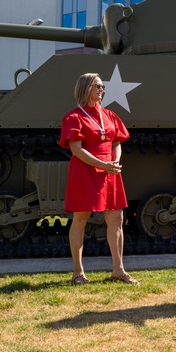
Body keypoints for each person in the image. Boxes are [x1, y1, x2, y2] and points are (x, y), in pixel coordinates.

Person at [59, 73, 136, 285]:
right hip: (85, 172)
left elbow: (116, 141)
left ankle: (118, 271)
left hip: (109, 171)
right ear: (85, 89)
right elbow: (76, 150)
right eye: (97, 86)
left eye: (102, 86)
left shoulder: (109, 115)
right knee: (81, 220)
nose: (101, 89)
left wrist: (115, 162)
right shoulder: (74, 117)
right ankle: (78, 273)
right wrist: (104, 165)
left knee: (117, 220)